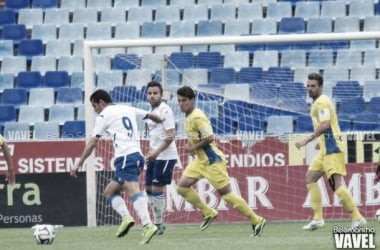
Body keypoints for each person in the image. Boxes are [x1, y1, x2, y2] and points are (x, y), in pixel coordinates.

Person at [70, 89, 164, 245]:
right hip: (138, 157)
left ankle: (148, 224)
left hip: (125, 157)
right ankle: (126, 217)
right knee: (109, 191)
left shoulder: (104, 115)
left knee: (133, 189)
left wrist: (79, 163)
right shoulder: (127, 108)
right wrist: (161, 120)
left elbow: (93, 142)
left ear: (101, 102)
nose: (94, 110)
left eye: (94, 106)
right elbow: (151, 116)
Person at [175, 86, 266, 238]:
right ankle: (208, 212)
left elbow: (210, 137)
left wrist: (192, 148)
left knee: (227, 195)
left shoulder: (197, 116)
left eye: (184, 100)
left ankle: (257, 220)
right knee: (181, 187)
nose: (181, 104)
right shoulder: (188, 116)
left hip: (212, 161)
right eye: (179, 101)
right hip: (200, 161)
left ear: (192, 100)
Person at [295, 73, 366, 231]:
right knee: (310, 179)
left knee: (337, 185)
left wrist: (307, 140)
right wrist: (320, 143)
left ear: (320, 87)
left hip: (333, 148)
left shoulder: (322, 102)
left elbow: (326, 124)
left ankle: (358, 218)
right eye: (308, 86)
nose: (310, 89)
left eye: (313, 86)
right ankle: (318, 219)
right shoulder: (317, 103)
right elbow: (329, 126)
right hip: (326, 147)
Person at [144, 81, 178, 235]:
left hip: (165, 156)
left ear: (161, 94)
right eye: (150, 93)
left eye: (155, 93)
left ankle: (158, 223)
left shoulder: (165, 110)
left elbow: (171, 136)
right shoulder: (150, 111)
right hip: (155, 155)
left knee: (157, 188)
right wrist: (151, 153)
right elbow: (155, 136)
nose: (152, 95)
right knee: (148, 189)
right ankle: (157, 221)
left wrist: (156, 153)